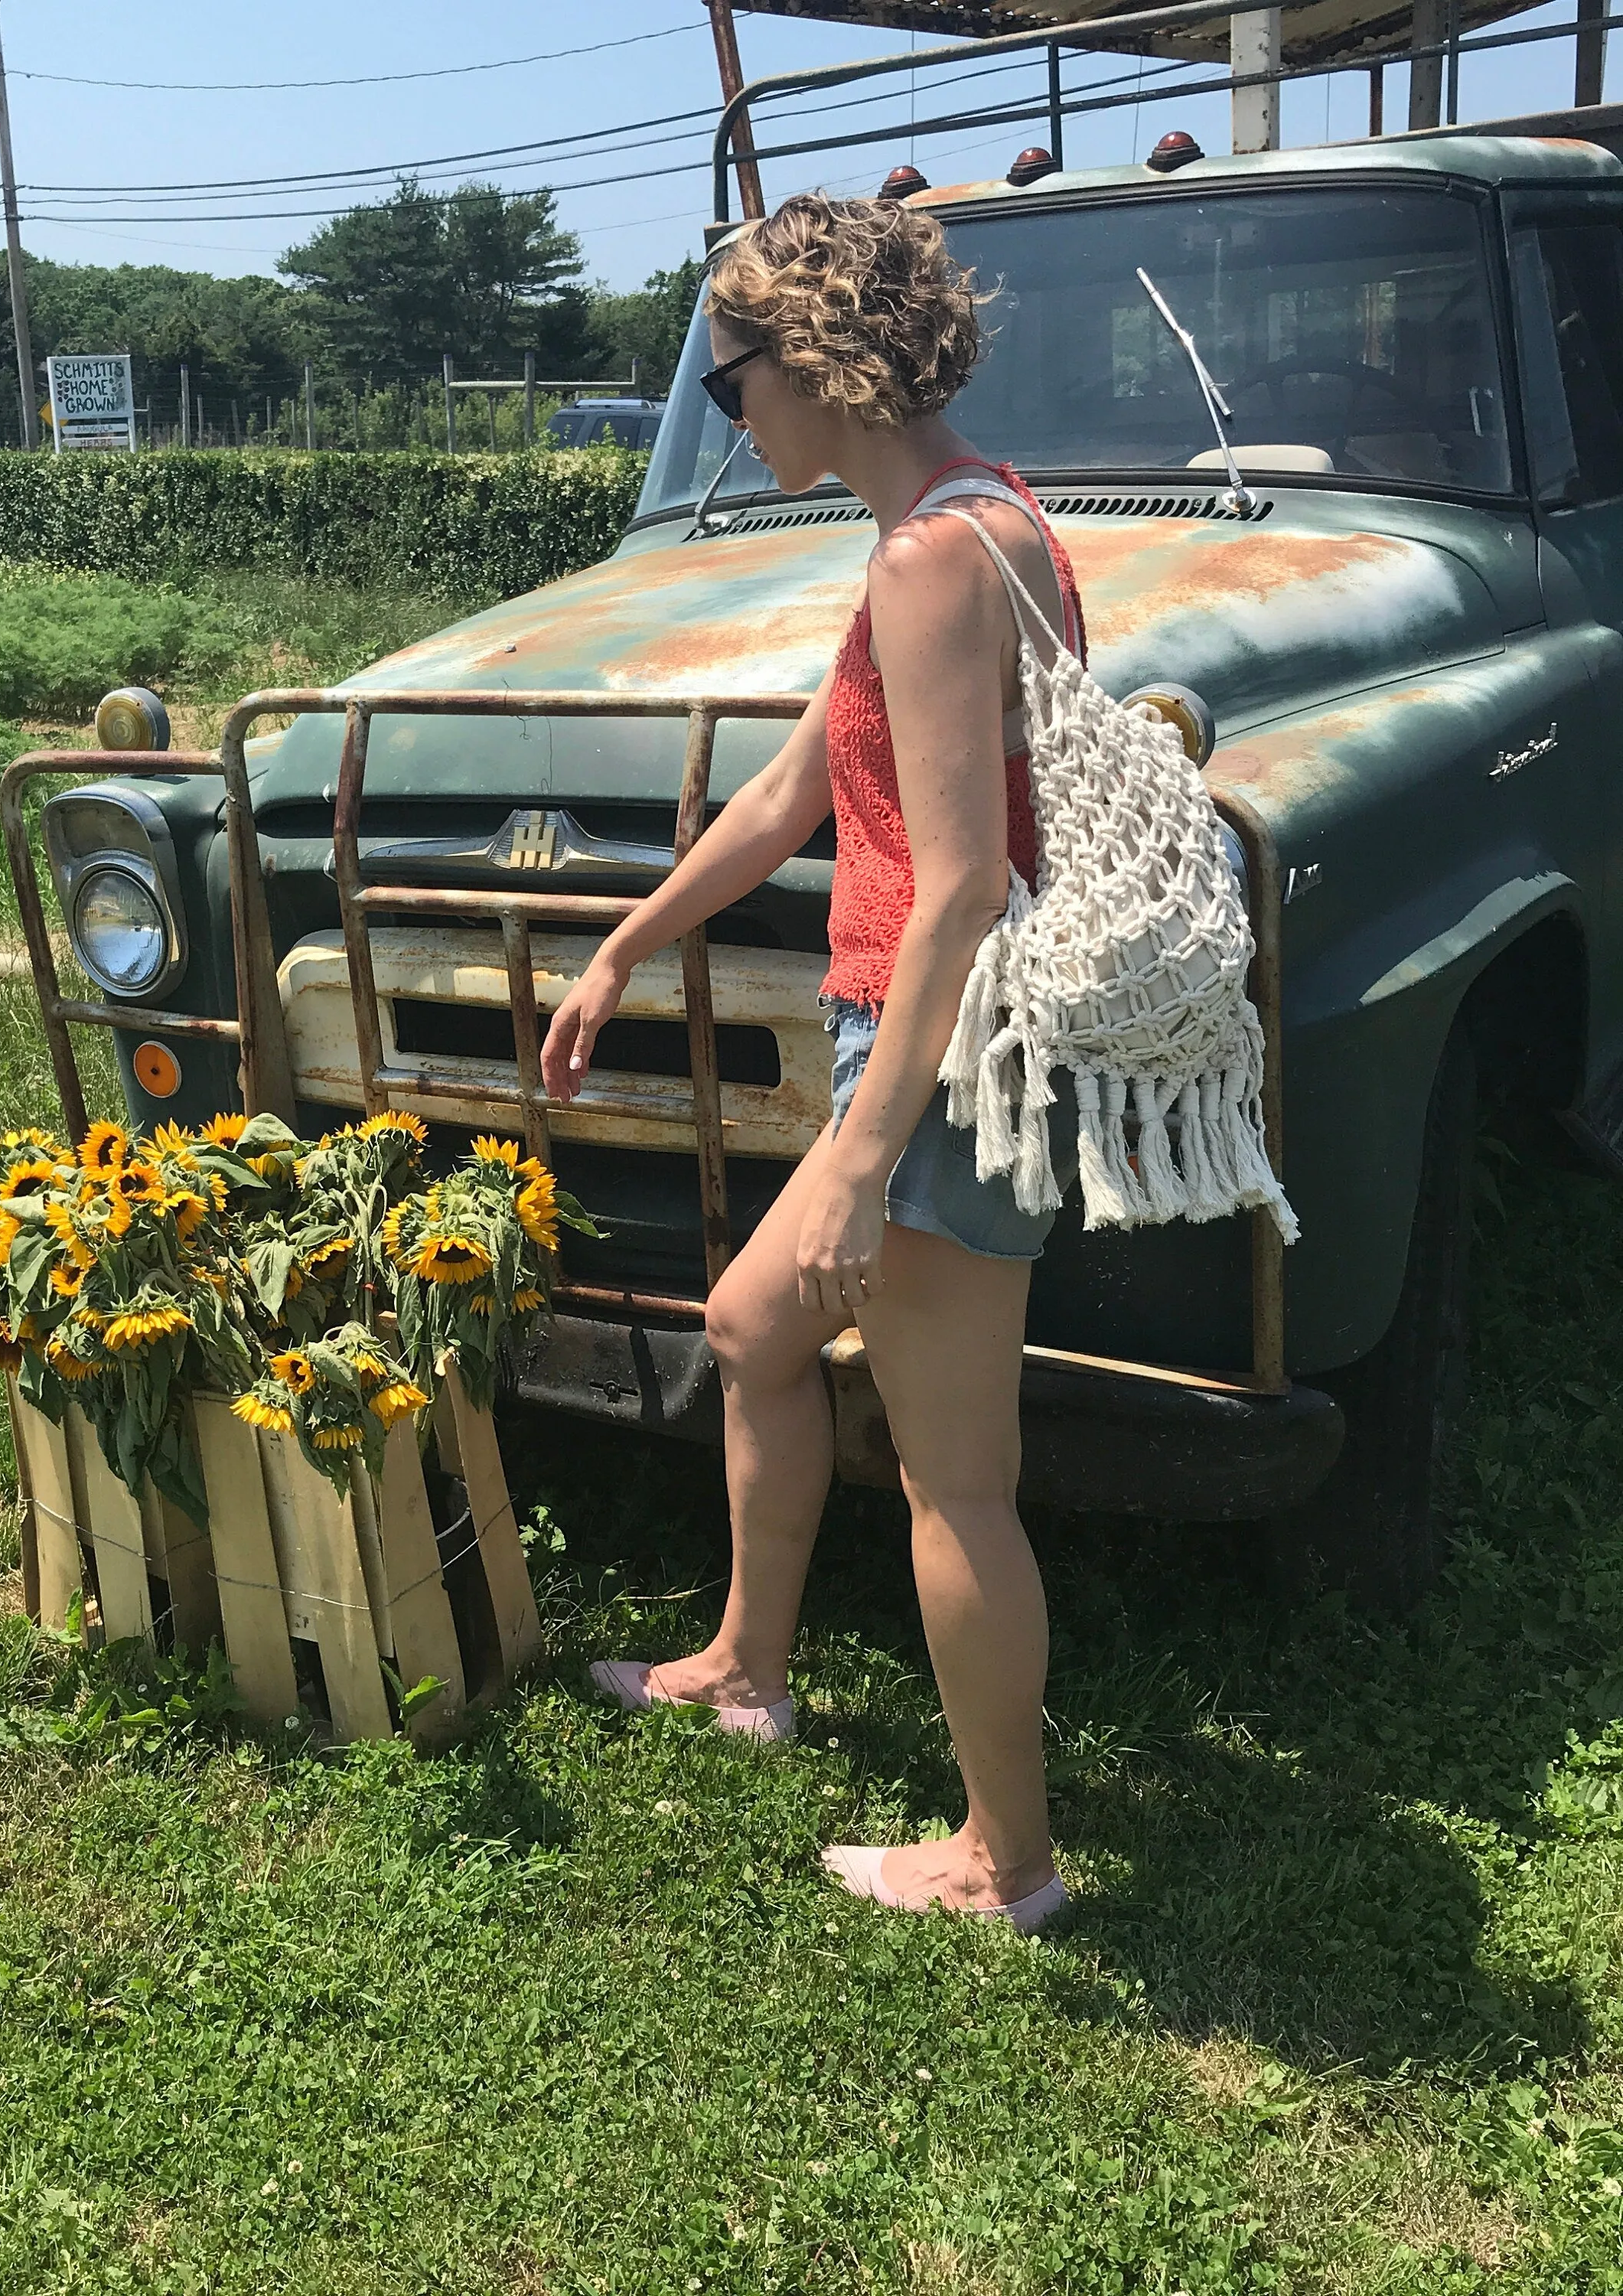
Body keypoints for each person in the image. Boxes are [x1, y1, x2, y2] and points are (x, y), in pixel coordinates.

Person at [543, 191, 1083, 1934]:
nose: (724, 407)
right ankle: (748, 1673)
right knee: (751, 1330)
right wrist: (630, 943)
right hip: (914, 1054)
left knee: (957, 1478)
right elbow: (792, 796)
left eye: (731, 371)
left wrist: (861, 1152)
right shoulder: (966, 523)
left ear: (821, 361)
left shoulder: (937, 557)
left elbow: (963, 888)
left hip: (933, 1062)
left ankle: (1010, 1863)